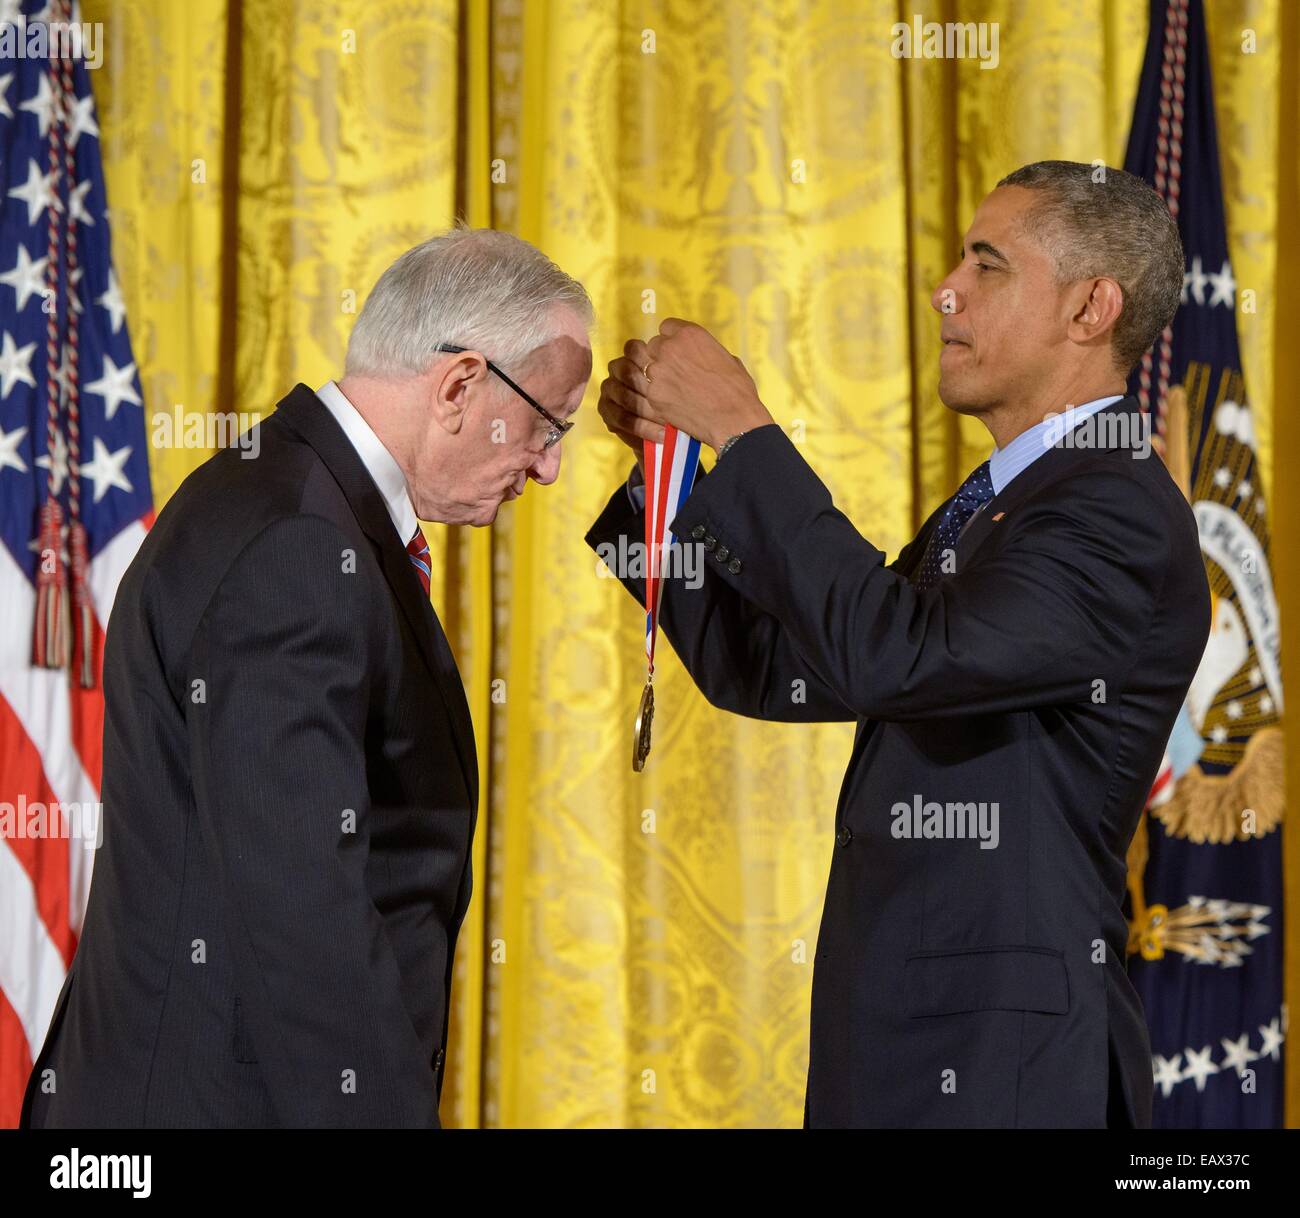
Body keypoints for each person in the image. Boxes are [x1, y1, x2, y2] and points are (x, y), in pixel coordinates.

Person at [588, 161, 1208, 1128]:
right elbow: (789, 667)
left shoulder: (1111, 507)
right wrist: (667, 486)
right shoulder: (1012, 502)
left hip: (1006, 1068)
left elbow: (897, 654)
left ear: (1092, 308)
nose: (944, 289)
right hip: (909, 1052)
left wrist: (747, 434)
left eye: (988, 265)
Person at [22, 226, 593, 1128]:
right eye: (549, 425)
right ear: (459, 387)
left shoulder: (280, 493)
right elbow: (303, 921)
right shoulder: (298, 545)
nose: (551, 465)